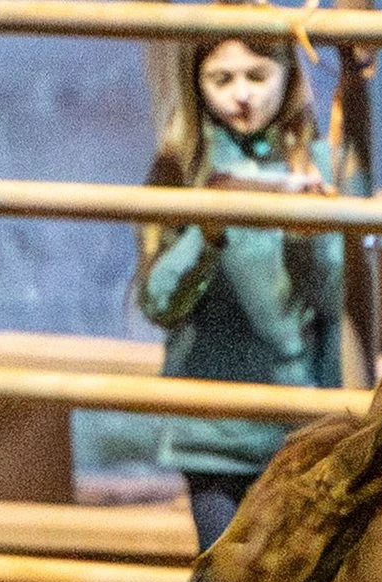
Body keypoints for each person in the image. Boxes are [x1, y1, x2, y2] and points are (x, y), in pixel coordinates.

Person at [137, 36, 349, 550]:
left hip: (300, 432)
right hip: (213, 437)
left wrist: (310, 239)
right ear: (196, 84)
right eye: (221, 79)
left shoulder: (317, 161)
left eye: (258, 76)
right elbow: (159, 304)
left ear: (287, 76)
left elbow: (331, 303)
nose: (241, 96)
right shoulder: (177, 165)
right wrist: (206, 230)